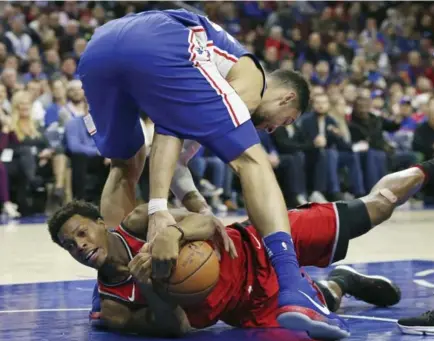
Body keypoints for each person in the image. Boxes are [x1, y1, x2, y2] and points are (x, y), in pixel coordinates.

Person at [78, 8, 324, 337]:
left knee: (126, 163)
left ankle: (108, 285)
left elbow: (175, 157)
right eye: (286, 120)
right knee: (252, 161)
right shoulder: (251, 78)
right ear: (286, 98)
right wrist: (158, 209)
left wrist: (200, 209)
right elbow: (171, 128)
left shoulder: (206, 83)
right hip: (162, 39)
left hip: (98, 50)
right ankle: (293, 283)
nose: (273, 129)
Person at [49, 150, 434, 339]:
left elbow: (208, 223)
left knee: (375, 209)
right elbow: (180, 329)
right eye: (70, 245)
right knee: (318, 309)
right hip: (245, 305)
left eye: (83, 233)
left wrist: (173, 232)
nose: (80, 245)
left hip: (258, 240)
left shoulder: (140, 221)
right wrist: (153, 287)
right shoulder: (116, 308)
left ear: (103, 225)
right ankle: (341, 280)